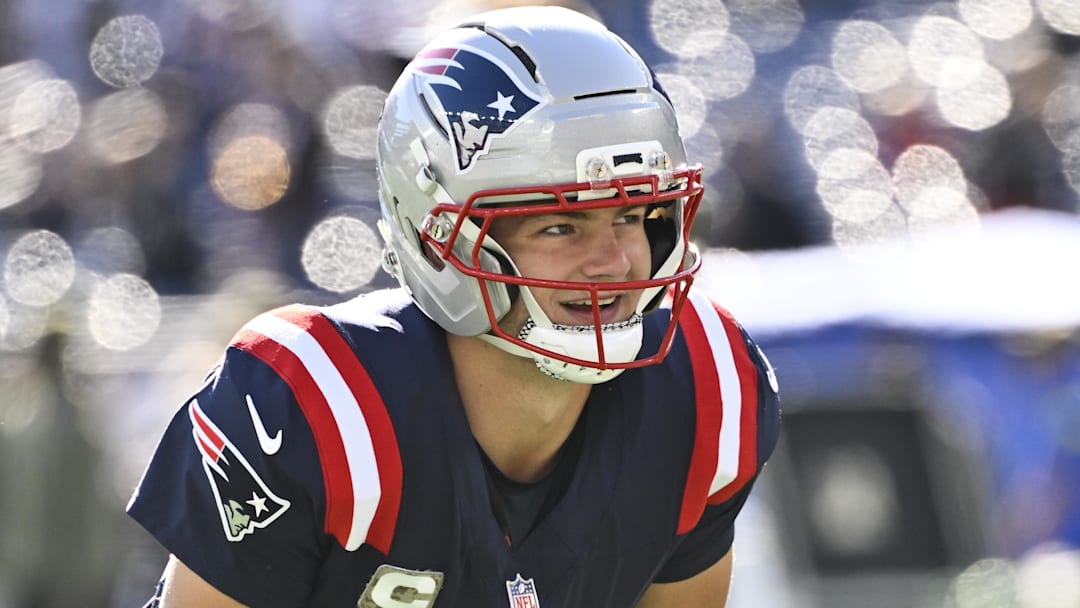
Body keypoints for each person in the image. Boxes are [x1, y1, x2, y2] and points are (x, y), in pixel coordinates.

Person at [127, 5, 781, 607]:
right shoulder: (314, 407)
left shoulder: (703, 389)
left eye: (633, 214)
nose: (612, 261)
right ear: (441, 238)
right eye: (560, 226)